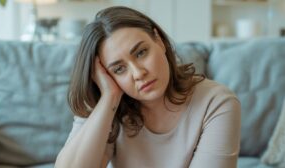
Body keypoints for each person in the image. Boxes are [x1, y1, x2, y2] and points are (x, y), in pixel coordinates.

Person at [55, 6, 241, 168]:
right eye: (119, 69)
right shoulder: (103, 105)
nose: (138, 73)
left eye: (141, 52)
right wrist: (109, 98)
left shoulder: (217, 102)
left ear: (159, 40)